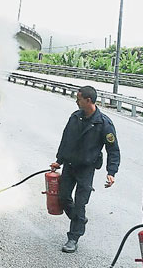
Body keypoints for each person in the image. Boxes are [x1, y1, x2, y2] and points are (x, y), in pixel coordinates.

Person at [50, 85, 120, 253]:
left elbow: (113, 150)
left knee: (80, 204)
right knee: (63, 197)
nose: (76, 101)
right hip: (69, 166)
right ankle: (80, 221)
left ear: (88, 100)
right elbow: (65, 139)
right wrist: (59, 161)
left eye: (79, 99)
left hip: (86, 170)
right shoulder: (75, 117)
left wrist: (111, 172)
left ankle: (73, 238)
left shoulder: (104, 124)